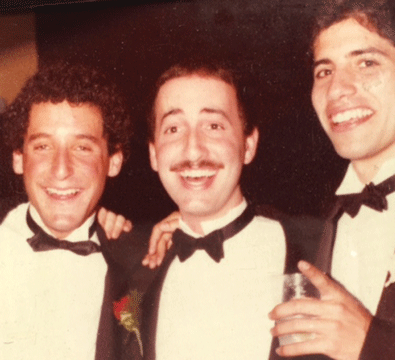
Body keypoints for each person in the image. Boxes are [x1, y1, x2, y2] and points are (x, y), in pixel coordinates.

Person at [120, 62, 289, 360]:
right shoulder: (134, 277)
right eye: (173, 129)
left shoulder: (312, 246)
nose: (193, 151)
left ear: (248, 145)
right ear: (153, 154)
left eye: (214, 126)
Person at [269, 1, 395, 359]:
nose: (337, 89)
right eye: (324, 71)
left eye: (367, 63)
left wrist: (373, 343)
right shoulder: (303, 227)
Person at [0, 63, 142, 360]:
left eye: (82, 148)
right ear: (18, 158)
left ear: (113, 160)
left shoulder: (137, 261)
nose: (61, 170)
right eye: (42, 147)